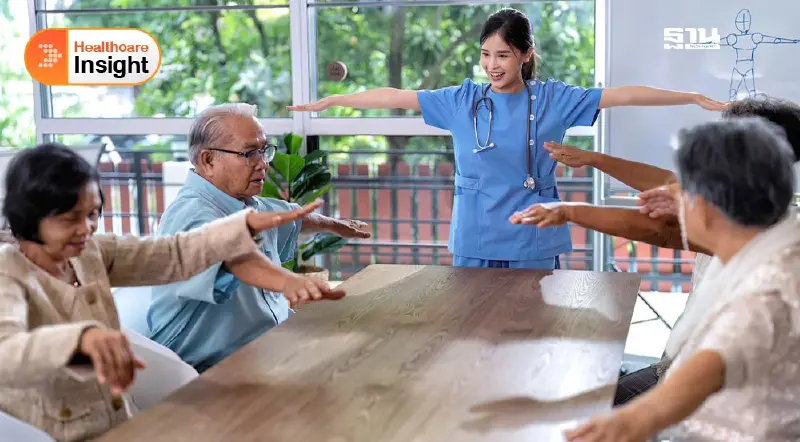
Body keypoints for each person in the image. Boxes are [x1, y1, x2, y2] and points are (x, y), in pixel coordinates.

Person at [287, 7, 727, 270]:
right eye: (485, 54)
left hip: (533, 236)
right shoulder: (462, 100)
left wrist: (689, 96)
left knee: (531, 335)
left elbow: (625, 94)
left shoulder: (555, 99)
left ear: (525, 55)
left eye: (503, 55)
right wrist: (334, 100)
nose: (492, 65)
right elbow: (395, 96)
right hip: (475, 237)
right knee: (474, 330)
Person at [0, 144, 344, 442]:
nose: (86, 228)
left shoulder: (90, 252)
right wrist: (79, 340)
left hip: (118, 422)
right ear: (30, 216)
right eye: (70, 219)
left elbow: (174, 255)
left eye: (93, 215)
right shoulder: (8, 270)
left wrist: (242, 225)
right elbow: (6, 353)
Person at [510, 96, 800, 405]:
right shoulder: (757, 212)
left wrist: (571, 212)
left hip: (708, 393)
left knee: (583, 410)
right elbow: (668, 191)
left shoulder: (757, 233)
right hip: (682, 372)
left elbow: (661, 229)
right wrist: (591, 167)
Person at [564, 117, 800, 442]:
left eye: (684, 192)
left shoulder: (765, 294)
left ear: (705, 208)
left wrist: (633, 421)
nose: (677, 200)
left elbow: (713, 361)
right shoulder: (781, 241)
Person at [146, 103, 370, 372]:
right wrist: (288, 281)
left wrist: (336, 225)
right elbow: (232, 258)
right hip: (207, 371)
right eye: (249, 153)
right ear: (208, 160)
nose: (263, 163)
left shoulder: (241, 202)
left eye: (263, 151)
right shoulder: (192, 214)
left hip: (267, 349)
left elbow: (290, 217)